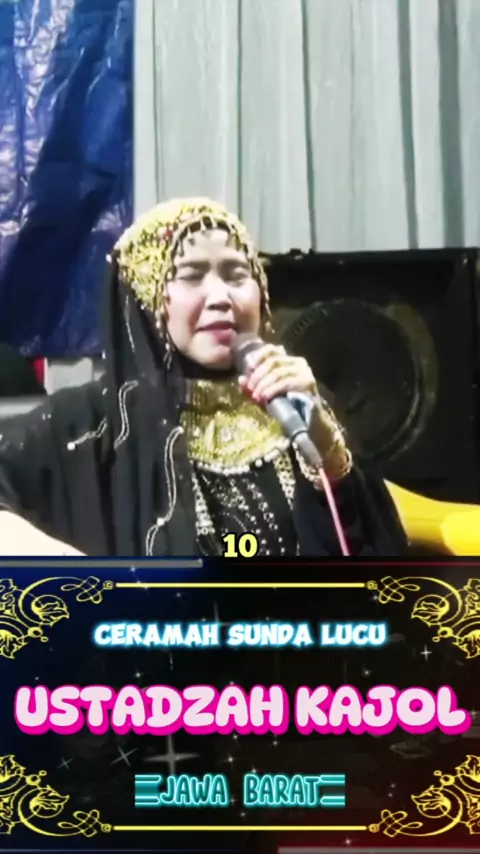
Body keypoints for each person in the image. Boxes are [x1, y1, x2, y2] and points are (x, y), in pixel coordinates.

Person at [0, 198, 408, 556]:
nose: (220, 297)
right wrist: (70, 572)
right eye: (192, 276)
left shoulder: (297, 405)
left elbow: (371, 564)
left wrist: (327, 455)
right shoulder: (92, 425)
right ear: (147, 296)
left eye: (236, 274)